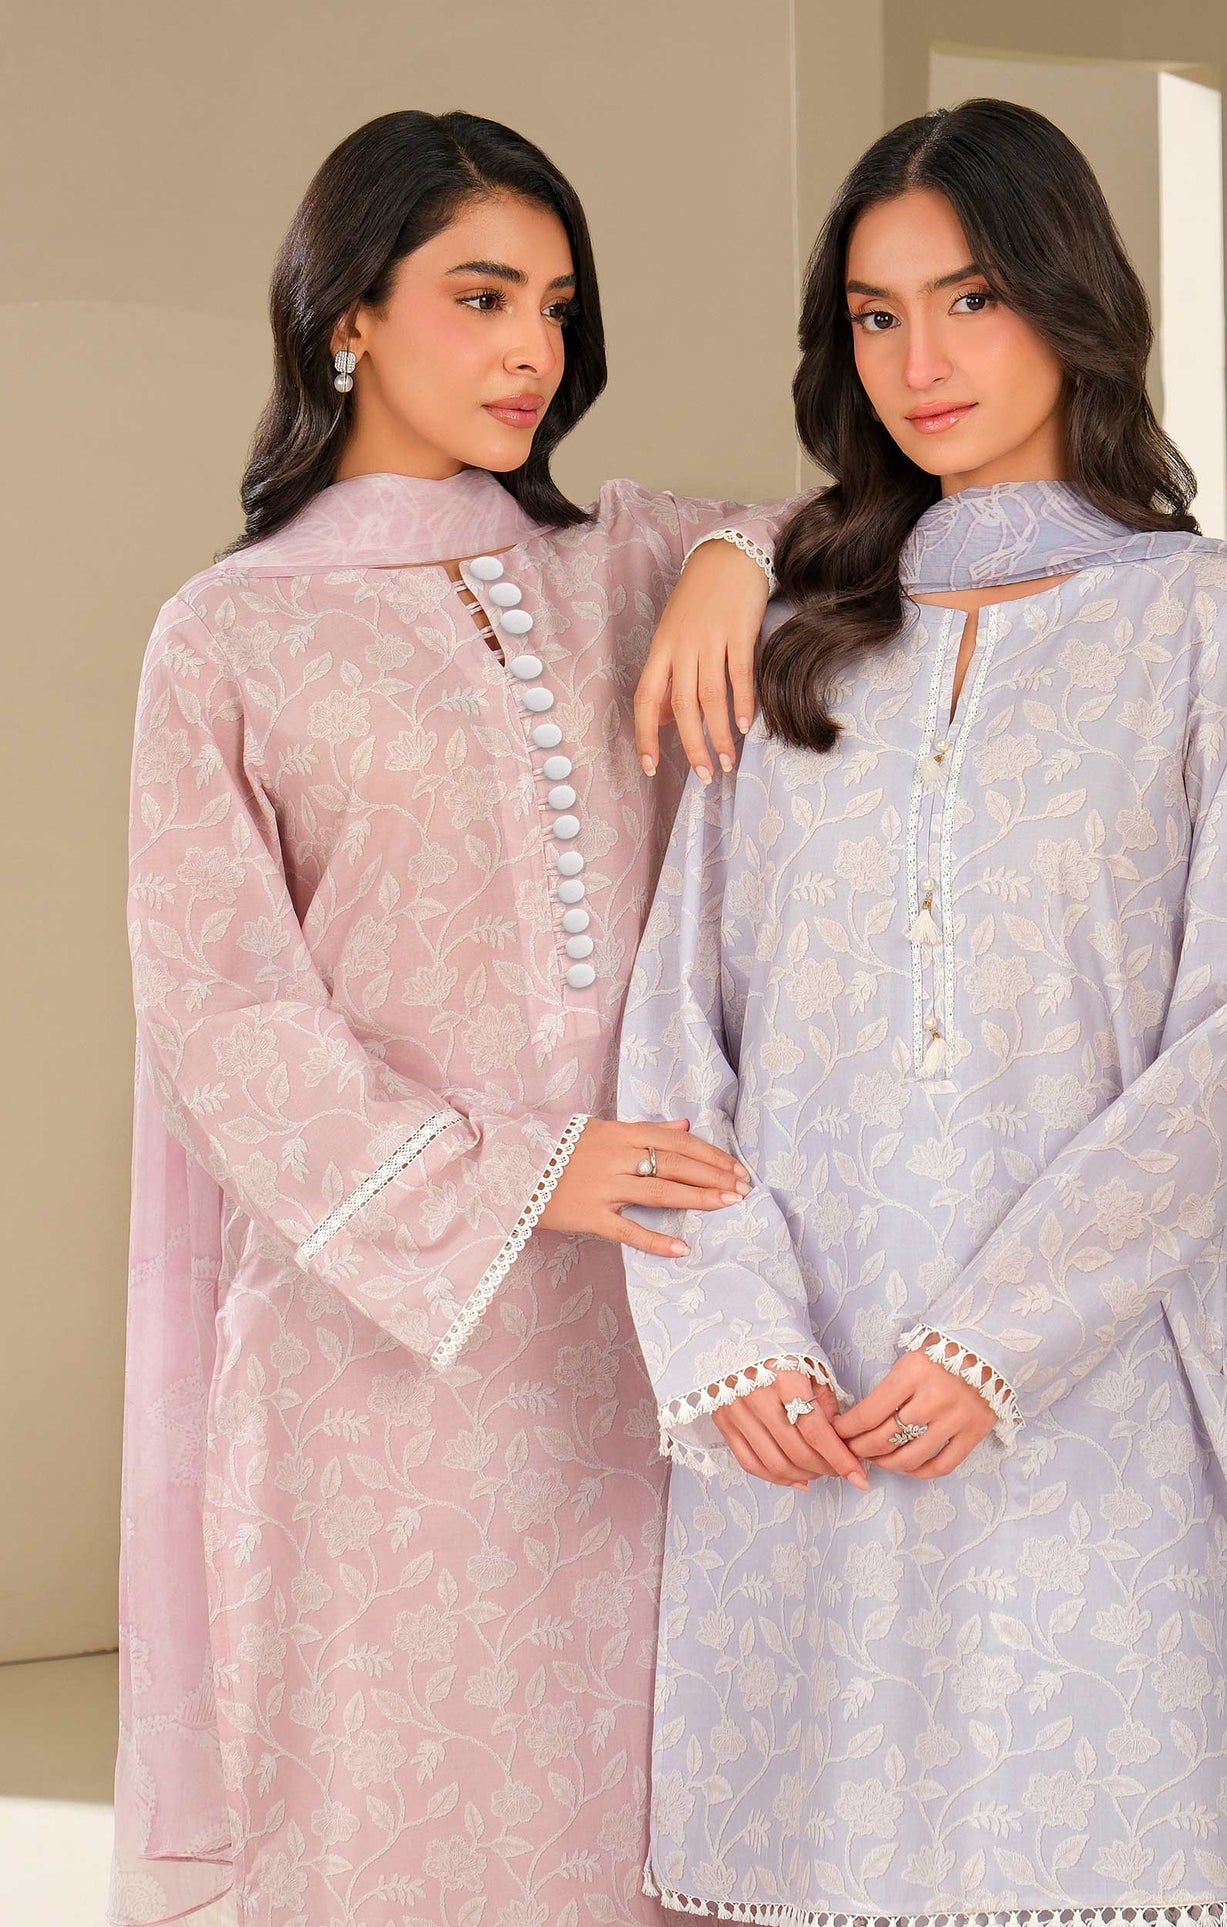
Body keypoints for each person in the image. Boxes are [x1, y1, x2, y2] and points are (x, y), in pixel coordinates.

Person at [620, 100, 1227, 1924]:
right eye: (875, 318)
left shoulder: (1196, 621)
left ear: (1065, 296)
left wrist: (999, 1339)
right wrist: (736, 1339)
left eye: (969, 299)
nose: (920, 364)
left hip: (1073, 1378)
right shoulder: (792, 634)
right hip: (804, 1394)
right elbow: (676, 1032)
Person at [111, 109, 797, 1927]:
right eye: (480, 297)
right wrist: (516, 1174)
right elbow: (221, 1011)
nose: (530, 352)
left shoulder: (623, 563)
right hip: (381, 1337)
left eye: (556, 308)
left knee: (648, 1801)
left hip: (650, 1313)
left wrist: (737, 558)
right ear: (347, 315)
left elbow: (858, 527)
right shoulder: (230, 637)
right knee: (400, 1815)